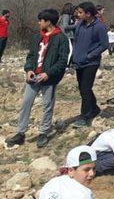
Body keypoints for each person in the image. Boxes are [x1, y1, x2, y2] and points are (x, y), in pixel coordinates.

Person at [5, 9, 69, 148]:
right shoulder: (36, 37)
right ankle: (20, 133)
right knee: (26, 104)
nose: (39, 23)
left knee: (47, 106)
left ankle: (43, 133)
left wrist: (49, 73)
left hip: (49, 79)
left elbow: (63, 61)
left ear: (48, 21)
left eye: (41, 20)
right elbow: (31, 56)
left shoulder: (61, 38)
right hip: (33, 77)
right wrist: (28, 70)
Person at [31, 145, 99, 199]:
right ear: (71, 171)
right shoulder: (83, 194)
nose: (92, 173)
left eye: (94, 168)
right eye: (86, 170)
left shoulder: (51, 183)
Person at [72, 2, 109, 128]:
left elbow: (104, 45)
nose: (78, 14)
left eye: (80, 12)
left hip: (91, 63)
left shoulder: (100, 27)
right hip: (79, 62)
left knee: (86, 89)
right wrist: (74, 56)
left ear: (88, 14)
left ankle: (85, 116)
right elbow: (76, 42)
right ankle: (94, 108)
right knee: (83, 89)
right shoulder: (79, 25)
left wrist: (90, 55)